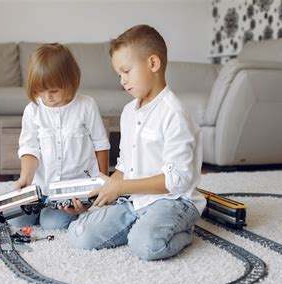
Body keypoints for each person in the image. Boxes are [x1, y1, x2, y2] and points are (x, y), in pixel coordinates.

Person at [67, 25, 206, 261]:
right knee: (79, 234)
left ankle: (185, 229)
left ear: (153, 64)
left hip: (174, 202)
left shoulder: (174, 113)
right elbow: (124, 168)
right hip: (135, 199)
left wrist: (121, 188)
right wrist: (98, 196)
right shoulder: (128, 112)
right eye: (119, 75)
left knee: (146, 246)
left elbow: (177, 180)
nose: (122, 81)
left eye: (126, 71)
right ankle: (142, 224)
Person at [12, 43, 110, 230]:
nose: (47, 97)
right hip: (42, 187)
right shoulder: (32, 110)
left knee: (52, 224)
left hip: (72, 190)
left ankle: (72, 213)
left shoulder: (86, 106)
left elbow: (101, 145)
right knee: (16, 221)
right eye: (40, 91)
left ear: (70, 81)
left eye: (54, 91)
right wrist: (26, 177)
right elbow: (29, 148)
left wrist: (101, 185)